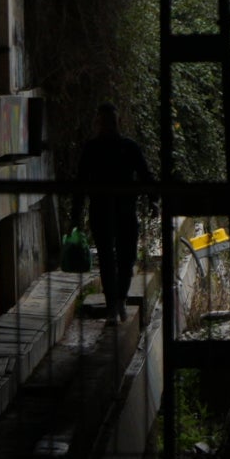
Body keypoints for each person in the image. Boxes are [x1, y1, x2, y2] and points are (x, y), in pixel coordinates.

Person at [76, 104, 153, 320]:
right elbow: (145, 175)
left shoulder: (93, 149)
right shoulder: (127, 147)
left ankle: (114, 303)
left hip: (104, 210)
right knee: (122, 258)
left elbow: (80, 183)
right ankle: (117, 301)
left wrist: (76, 213)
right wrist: (153, 199)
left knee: (113, 258)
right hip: (122, 210)